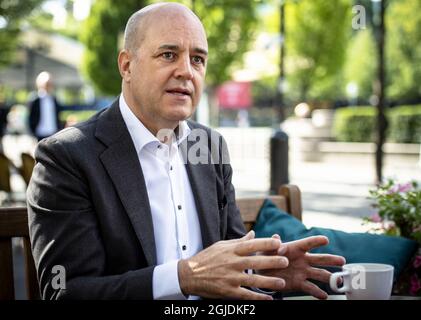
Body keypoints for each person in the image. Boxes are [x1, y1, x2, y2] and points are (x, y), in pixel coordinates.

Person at [27, 2, 345, 300]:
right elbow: (66, 291)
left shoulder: (209, 146)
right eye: (168, 55)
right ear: (126, 65)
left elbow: (231, 254)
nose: (186, 71)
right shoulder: (66, 158)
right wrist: (182, 277)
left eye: (197, 59)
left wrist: (261, 270)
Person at [28, 71, 62, 141]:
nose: (49, 86)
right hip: (39, 134)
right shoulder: (35, 100)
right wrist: (32, 133)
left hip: (53, 133)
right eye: (47, 83)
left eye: (50, 83)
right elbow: (30, 118)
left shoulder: (54, 99)